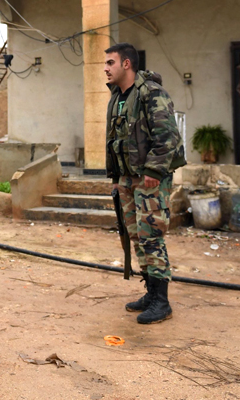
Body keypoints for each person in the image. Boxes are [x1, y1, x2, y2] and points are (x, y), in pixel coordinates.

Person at [104, 42, 186, 324]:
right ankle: (151, 293)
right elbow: (116, 141)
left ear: (126, 64)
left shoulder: (151, 92)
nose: (106, 68)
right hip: (128, 179)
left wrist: (154, 170)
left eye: (110, 63)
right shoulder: (118, 96)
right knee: (136, 236)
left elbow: (168, 137)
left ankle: (162, 301)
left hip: (150, 178)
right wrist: (116, 178)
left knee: (152, 235)